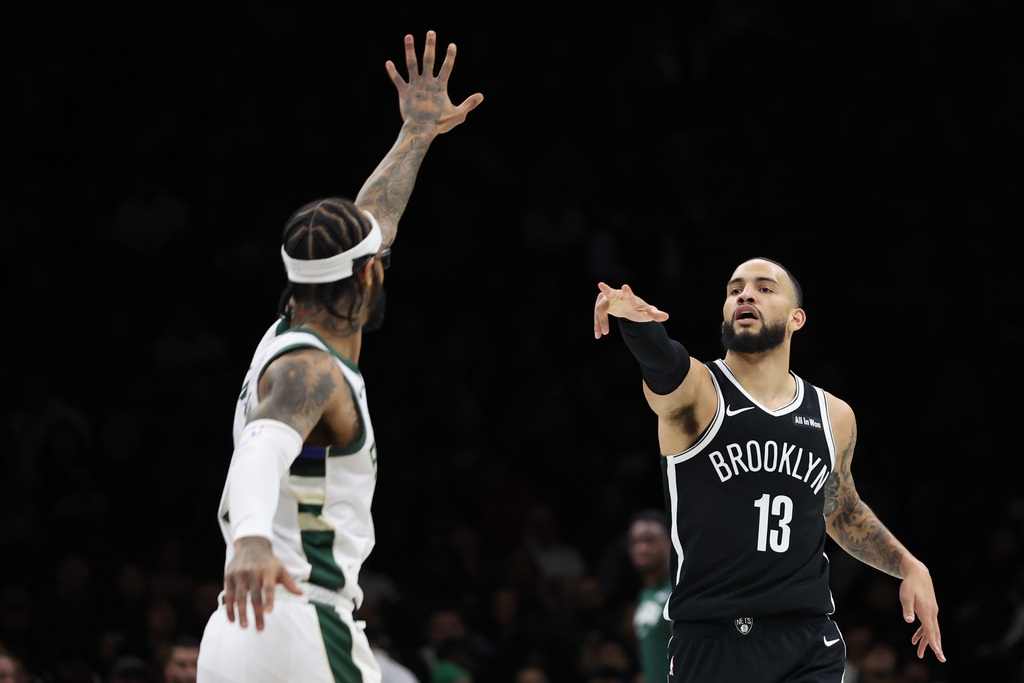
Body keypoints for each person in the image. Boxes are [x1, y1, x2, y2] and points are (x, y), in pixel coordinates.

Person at [197, 30, 483, 683]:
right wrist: (248, 538)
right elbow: (264, 444)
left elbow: (373, 216)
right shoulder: (312, 370)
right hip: (299, 620)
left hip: (236, 628)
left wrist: (416, 133)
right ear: (370, 277)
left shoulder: (288, 330)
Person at [592, 258, 944, 682]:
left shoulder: (833, 415)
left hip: (806, 642)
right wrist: (635, 323)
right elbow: (664, 364)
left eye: (764, 287)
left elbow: (840, 509)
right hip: (711, 643)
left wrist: (910, 566)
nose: (745, 294)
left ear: (797, 318)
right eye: (735, 288)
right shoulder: (700, 392)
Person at [627, 510, 672, 683]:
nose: (641, 548)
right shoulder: (644, 594)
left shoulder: (679, 590)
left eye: (650, 540)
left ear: (669, 542)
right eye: (635, 542)